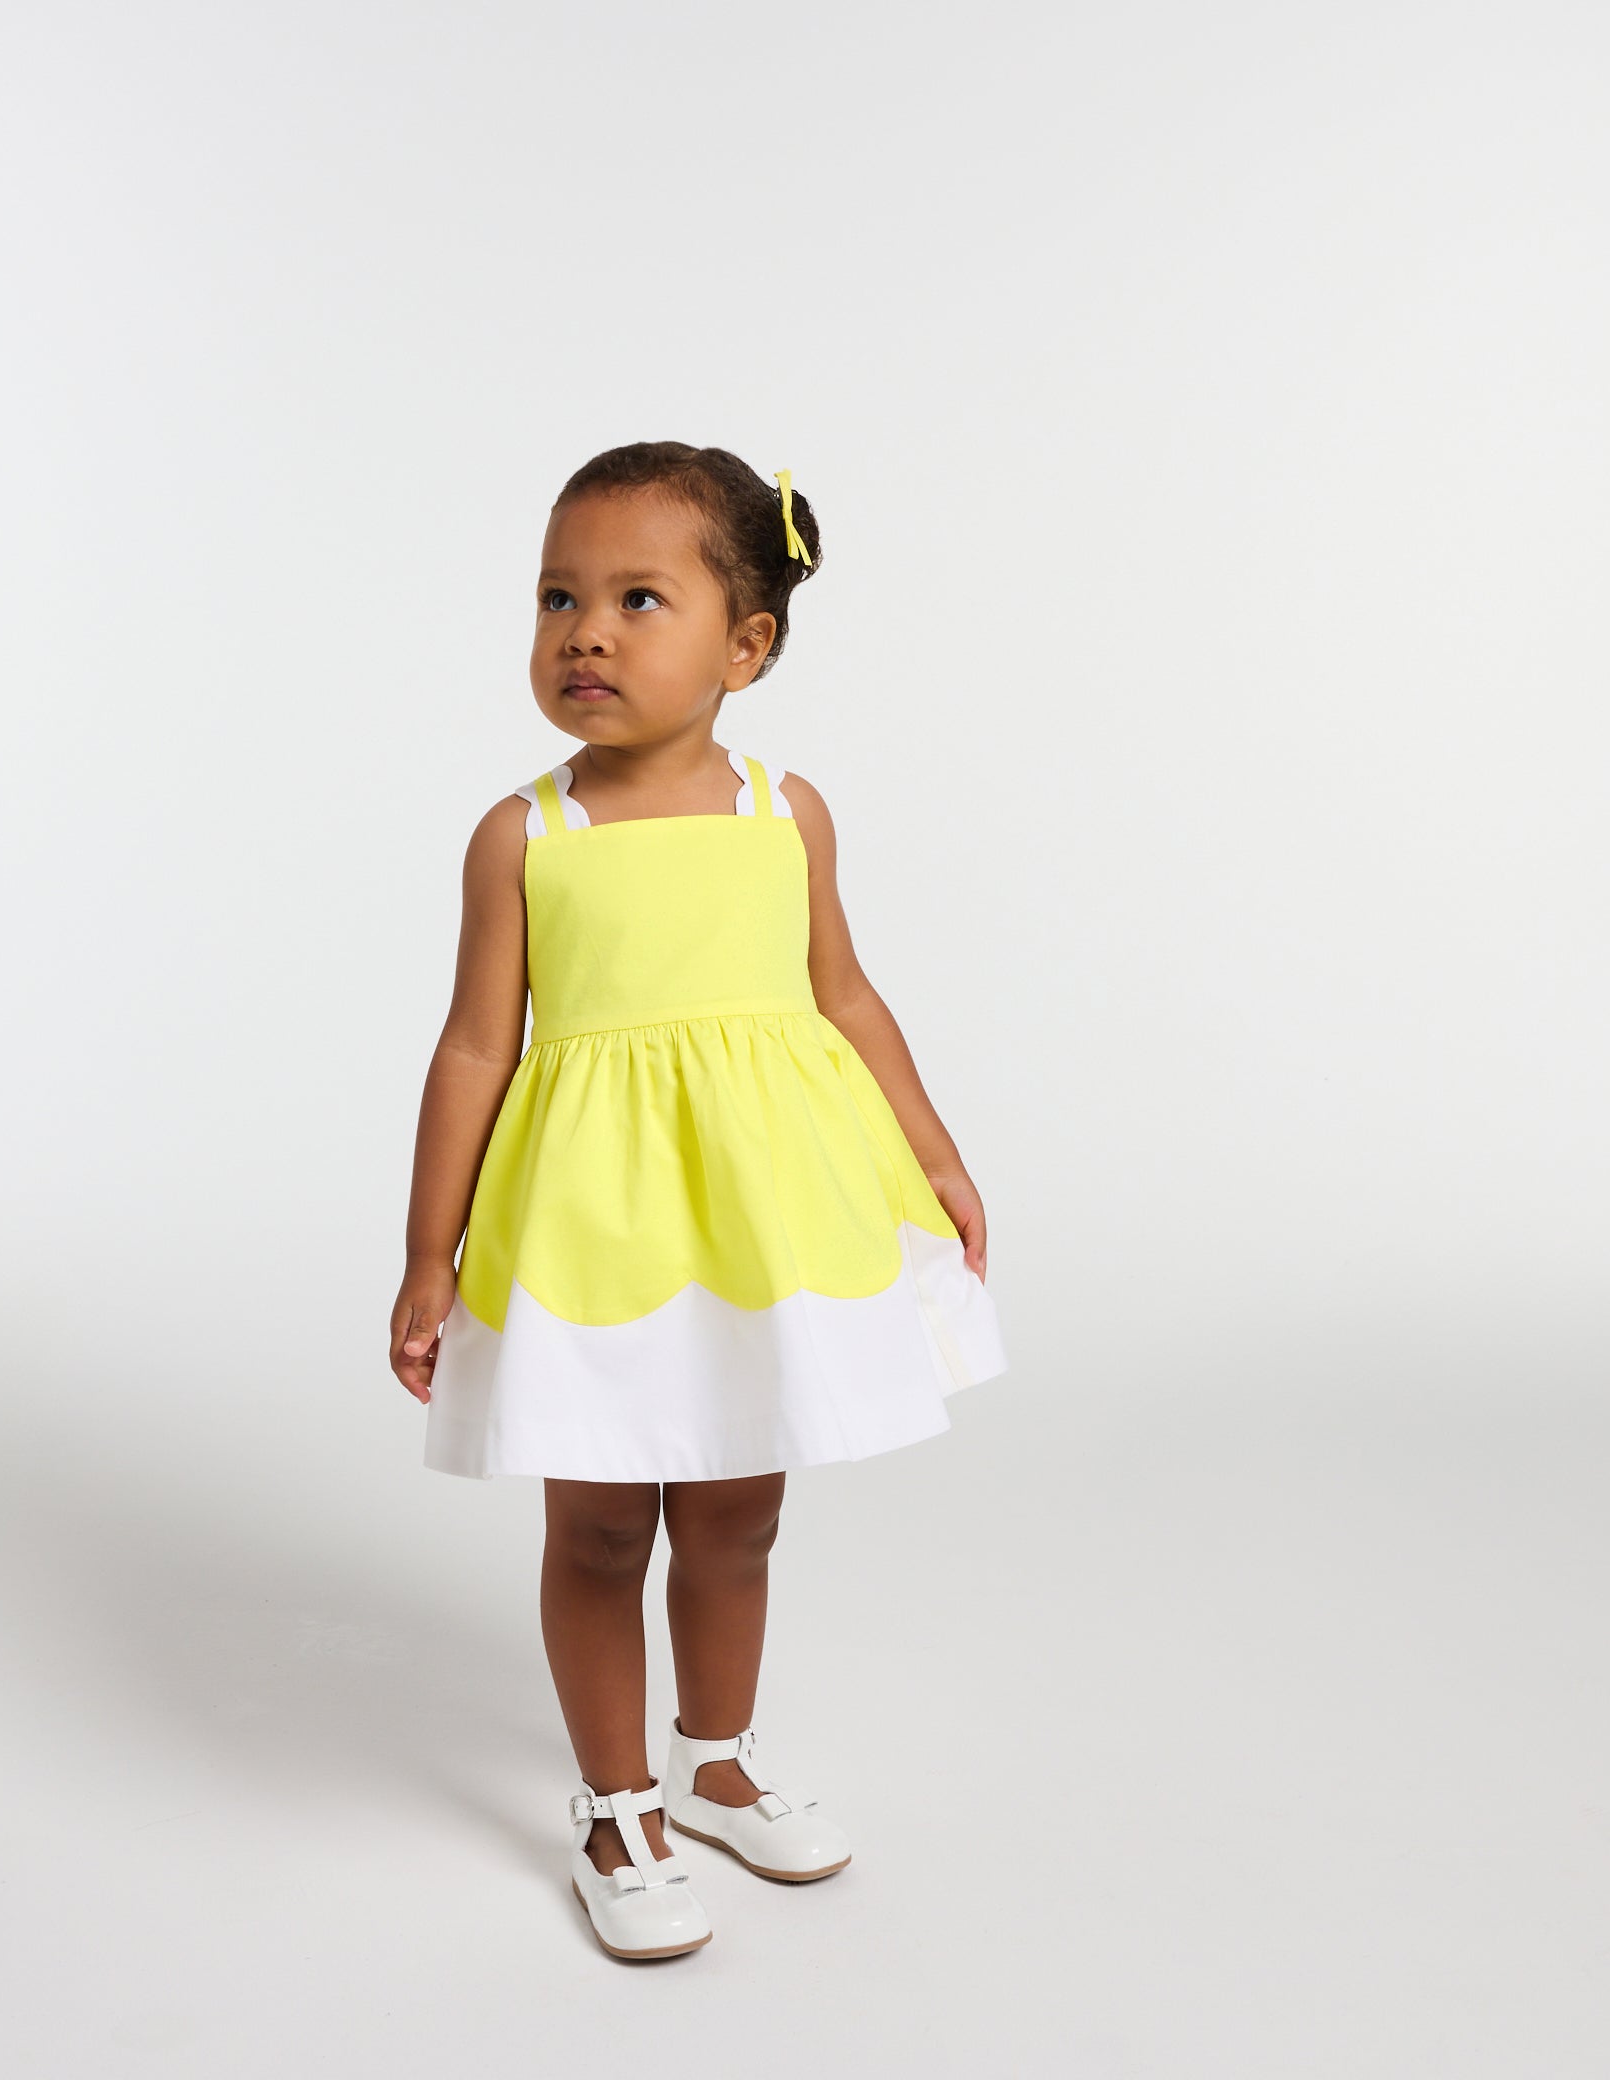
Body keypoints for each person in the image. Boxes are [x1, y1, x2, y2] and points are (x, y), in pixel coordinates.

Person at [389, 441, 1008, 1961]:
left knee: (739, 1513)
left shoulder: (785, 812)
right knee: (602, 1526)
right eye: (559, 598)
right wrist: (428, 1253)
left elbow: (844, 995)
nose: (585, 634)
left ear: (748, 645)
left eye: (638, 600)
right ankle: (616, 1808)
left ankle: (714, 1763)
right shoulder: (525, 837)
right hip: (592, 1236)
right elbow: (475, 1049)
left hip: (761, 1221)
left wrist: (932, 1152)